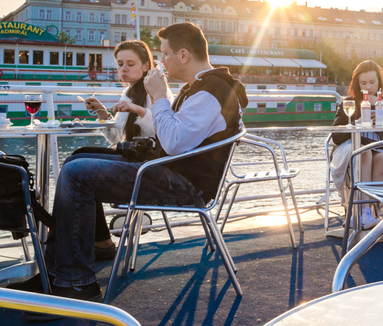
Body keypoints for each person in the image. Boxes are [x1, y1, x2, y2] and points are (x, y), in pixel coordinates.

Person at [7, 22, 248, 303]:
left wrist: (158, 95)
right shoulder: (202, 87)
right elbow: (176, 139)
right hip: (170, 173)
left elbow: (174, 142)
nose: (162, 60)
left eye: (165, 53)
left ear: (183, 55)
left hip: (185, 185)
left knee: (75, 173)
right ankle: (58, 271)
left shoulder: (209, 91)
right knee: (78, 160)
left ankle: (76, 282)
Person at [73, 40, 174, 261]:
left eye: (130, 64)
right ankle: (100, 241)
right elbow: (117, 137)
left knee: (77, 166)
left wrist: (137, 110)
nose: (123, 69)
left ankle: (95, 242)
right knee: (77, 157)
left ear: (146, 66)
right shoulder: (128, 92)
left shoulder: (156, 91)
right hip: (131, 154)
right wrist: (101, 112)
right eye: (120, 64)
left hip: (149, 163)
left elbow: (165, 132)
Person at [331, 60, 383, 228]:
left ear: (379, 82)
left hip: (378, 148)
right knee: (364, 153)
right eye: (363, 83)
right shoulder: (348, 102)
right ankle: (362, 212)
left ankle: (368, 211)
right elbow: (336, 135)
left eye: (372, 82)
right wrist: (357, 118)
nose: (368, 87)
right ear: (357, 83)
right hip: (351, 148)